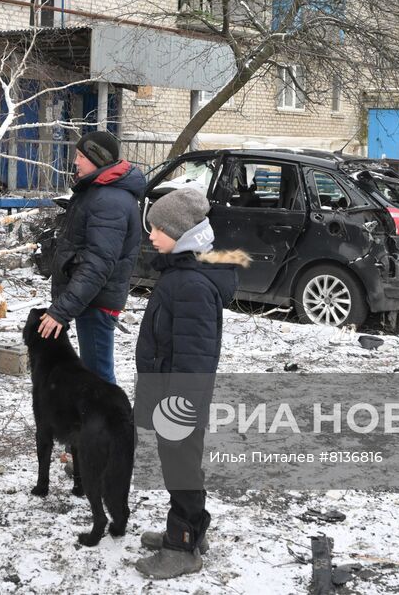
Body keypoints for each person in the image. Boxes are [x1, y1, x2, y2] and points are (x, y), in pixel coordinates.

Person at [132, 185, 247, 580]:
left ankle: (182, 546)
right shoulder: (182, 273)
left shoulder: (192, 284)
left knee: (180, 467)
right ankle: (191, 530)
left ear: (179, 233)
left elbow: (195, 357)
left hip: (179, 398)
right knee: (179, 465)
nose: (150, 235)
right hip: (171, 392)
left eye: (157, 228)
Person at [36, 130, 146, 385]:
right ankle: (96, 422)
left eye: (80, 156)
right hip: (91, 298)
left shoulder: (109, 199)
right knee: (93, 375)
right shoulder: (99, 191)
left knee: (99, 379)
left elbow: (97, 264)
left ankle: (113, 423)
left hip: (96, 300)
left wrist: (61, 311)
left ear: (97, 159)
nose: (75, 162)